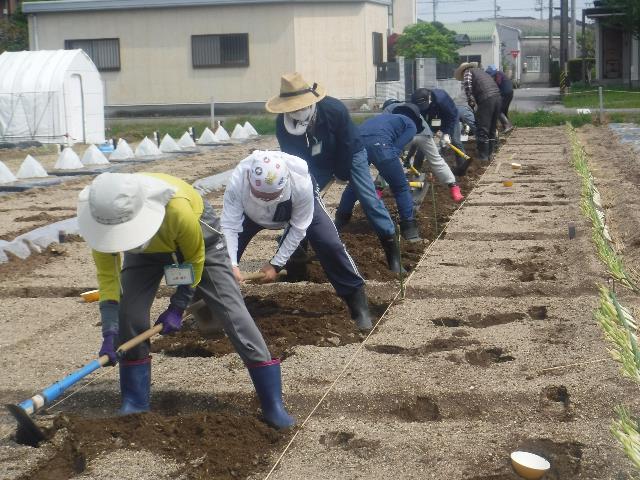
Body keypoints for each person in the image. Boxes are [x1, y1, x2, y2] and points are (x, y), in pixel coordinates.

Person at [77, 172, 295, 429]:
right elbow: (108, 279)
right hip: (143, 252)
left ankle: (273, 405)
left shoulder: (177, 208)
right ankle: (135, 402)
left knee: (234, 315)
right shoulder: (102, 220)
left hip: (202, 243)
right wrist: (110, 330)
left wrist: (177, 306)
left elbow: (195, 258)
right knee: (130, 315)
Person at [266, 72, 402, 273]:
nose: (297, 109)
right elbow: (292, 160)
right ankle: (296, 255)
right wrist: (304, 186)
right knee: (301, 201)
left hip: (351, 153)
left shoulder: (333, 109)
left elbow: (347, 144)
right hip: (315, 161)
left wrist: (341, 172)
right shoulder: (283, 124)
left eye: (300, 104)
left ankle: (392, 252)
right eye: (292, 106)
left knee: (368, 199)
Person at [221, 150, 373, 331]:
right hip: (250, 212)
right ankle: (211, 303)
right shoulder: (238, 180)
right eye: (261, 194)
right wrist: (231, 263)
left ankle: (356, 302)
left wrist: (276, 264)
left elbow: (299, 228)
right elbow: (230, 226)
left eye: (269, 196)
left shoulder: (301, 182)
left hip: (292, 205)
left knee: (329, 244)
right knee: (219, 258)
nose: (265, 199)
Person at [336, 112, 420, 242]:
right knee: (401, 188)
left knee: (354, 185)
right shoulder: (411, 124)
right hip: (381, 145)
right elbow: (397, 148)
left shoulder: (383, 118)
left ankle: (340, 221)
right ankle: (409, 229)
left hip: (358, 142)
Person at [384, 100, 465, 200]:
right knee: (436, 160)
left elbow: (386, 128)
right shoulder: (409, 106)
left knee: (387, 160)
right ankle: (454, 189)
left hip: (403, 134)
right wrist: (408, 157)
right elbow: (416, 140)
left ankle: (381, 189)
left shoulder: (388, 109)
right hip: (424, 133)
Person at [455, 61, 502, 162]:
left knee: (483, 129)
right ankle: (490, 154)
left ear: (462, 71)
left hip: (486, 98)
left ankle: (483, 158)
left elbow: (468, 87)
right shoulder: (482, 72)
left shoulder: (468, 72)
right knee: (492, 128)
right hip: (497, 97)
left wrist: (471, 102)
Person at [486, 65, 514, 133]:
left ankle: (507, 125)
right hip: (509, 93)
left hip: (505, 93)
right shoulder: (499, 74)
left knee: (498, 110)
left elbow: (496, 86)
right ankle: (508, 126)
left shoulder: (498, 75)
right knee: (504, 110)